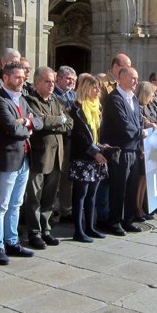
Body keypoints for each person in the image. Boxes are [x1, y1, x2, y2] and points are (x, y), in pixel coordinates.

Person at [0, 62, 43, 265]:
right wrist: (24, 124)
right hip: (8, 159)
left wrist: (26, 122)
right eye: (17, 77)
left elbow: (39, 121)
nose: (22, 81)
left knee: (16, 204)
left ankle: (12, 242)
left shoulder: (22, 100)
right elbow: (11, 128)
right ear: (6, 78)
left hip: (24, 159)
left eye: (23, 77)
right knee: (1, 205)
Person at [22, 66, 73, 249]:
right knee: (35, 197)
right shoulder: (31, 100)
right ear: (37, 83)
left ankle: (46, 230)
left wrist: (53, 121)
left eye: (52, 81)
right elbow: (38, 122)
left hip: (57, 157)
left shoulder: (56, 101)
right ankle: (34, 232)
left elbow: (70, 123)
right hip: (40, 156)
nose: (51, 85)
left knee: (49, 198)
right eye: (47, 81)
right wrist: (58, 120)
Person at [101, 67, 146, 235]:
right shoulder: (114, 98)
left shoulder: (133, 98)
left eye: (137, 78)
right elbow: (123, 124)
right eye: (133, 78)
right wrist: (140, 132)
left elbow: (138, 120)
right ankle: (114, 222)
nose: (136, 81)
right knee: (118, 188)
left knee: (131, 188)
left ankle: (128, 220)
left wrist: (140, 144)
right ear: (122, 78)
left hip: (133, 149)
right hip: (120, 150)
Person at [69, 75, 108, 242]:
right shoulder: (77, 108)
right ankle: (78, 230)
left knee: (92, 194)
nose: (98, 90)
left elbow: (95, 133)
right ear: (85, 88)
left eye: (98, 87)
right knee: (80, 195)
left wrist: (101, 146)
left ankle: (90, 227)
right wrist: (94, 152)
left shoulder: (97, 107)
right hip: (82, 157)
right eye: (94, 87)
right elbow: (79, 135)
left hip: (95, 156)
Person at [53, 65, 78, 222]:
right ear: (59, 78)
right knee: (54, 177)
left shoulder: (75, 95)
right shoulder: (53, 95)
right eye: (68, 78)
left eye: (73, 80)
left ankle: (65, 209)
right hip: (58, 139)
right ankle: (51, 209)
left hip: (71, 140)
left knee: (67, 178)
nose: (71, 82)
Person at [135, 81, 157, 220]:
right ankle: (137, 208)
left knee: (145, 179)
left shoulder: (149, 107)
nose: (153, 97)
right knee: (140, 180)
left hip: (149, 147)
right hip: (141, 148)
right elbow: (141, 123)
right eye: (151, 94)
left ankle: (142, 207)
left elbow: (153, 120)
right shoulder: (138, 107)